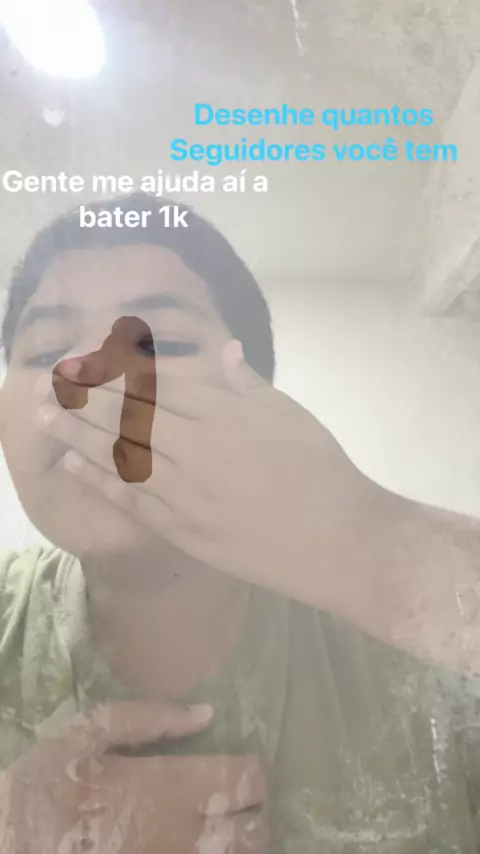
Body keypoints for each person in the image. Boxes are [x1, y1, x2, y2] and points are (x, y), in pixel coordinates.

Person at [1, 193, 480, 853]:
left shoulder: (423, 652)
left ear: (259, 401)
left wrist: (374, 538)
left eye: (161, 342)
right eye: (45, 350)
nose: (86, 375)